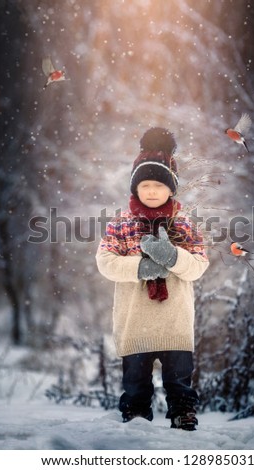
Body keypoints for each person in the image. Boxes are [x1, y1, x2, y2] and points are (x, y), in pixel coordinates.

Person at [96, 127, 209, 431]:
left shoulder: (183, 224)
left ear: (171, 189)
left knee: (180, 380)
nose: (151, 191)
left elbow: (199, 264)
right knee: (135, 382)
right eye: (144, 185)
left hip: (175, 320)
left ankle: (183, 414)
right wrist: (139, 269)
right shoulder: (121, 224)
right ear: (135, 189)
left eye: (158, 185)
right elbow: (105, 262)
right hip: (136, 320)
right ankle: (135, 419)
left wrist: (173, 257)